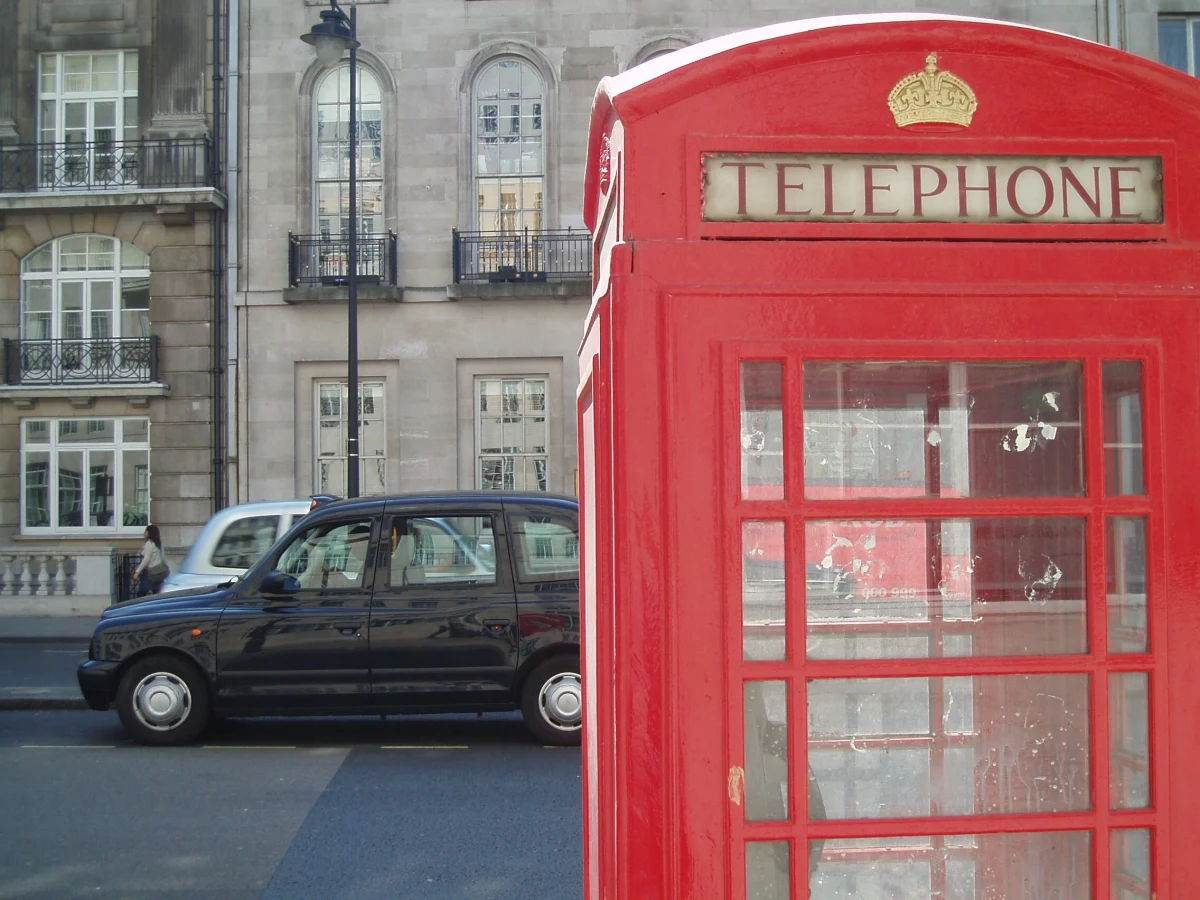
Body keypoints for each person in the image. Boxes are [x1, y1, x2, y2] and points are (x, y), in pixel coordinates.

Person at [134, 524, 170, 597]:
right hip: (158, 572)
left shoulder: (149, 544)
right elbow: (163, 556)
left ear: (149, 533)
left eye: (145, 531)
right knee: (157, 593)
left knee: (141, 594)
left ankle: (140, 607)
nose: (144, 533)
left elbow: (146, 559)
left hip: (150, 572)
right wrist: (167, 567)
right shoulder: (158, 543)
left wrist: (137, 572)